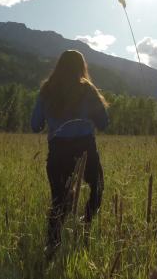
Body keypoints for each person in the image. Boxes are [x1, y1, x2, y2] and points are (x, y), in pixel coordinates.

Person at [31, 50, 109, 256]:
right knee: (97, 188)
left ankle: (52, 246)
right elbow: (104, 123)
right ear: (81, 66)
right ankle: (85, 227)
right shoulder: (88, 90)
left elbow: (35, 125)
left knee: (59, 201)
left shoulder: (47, 90)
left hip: (58, 152)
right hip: (85, 150)